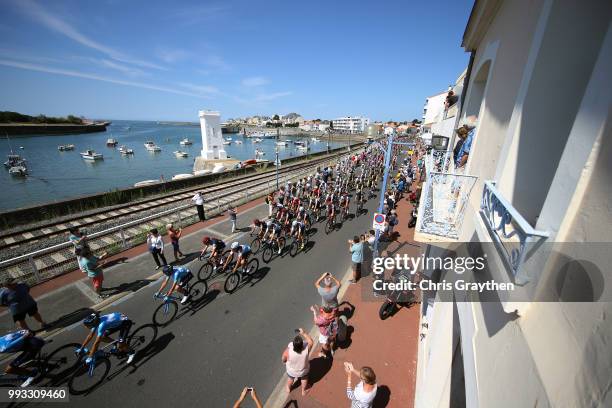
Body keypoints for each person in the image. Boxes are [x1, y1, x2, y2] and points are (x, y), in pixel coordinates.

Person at [282, 328, 314, 396]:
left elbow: (283, 358)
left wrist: (284, 361)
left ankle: (288, 388)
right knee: (304, 379)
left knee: (290, 378)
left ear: (293, 345)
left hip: (292, 371)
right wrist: (303, 333)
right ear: (302, 345)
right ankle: (303, 390)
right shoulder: (306, 349)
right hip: (303, 371)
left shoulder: (289, 350)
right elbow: (311, 341)